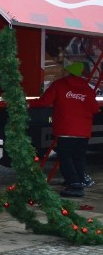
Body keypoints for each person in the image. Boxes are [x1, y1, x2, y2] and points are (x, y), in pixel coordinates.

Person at [31, 62, 100, 197]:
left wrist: (27, 103)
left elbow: (44, 102)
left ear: (68, 72)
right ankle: (79, 180)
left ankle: (74, 184)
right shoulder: (87, 89)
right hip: (83, 132)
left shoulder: (59, 85)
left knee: (65, 157)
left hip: (66, 129)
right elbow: (95, 109)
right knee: (79, 158)